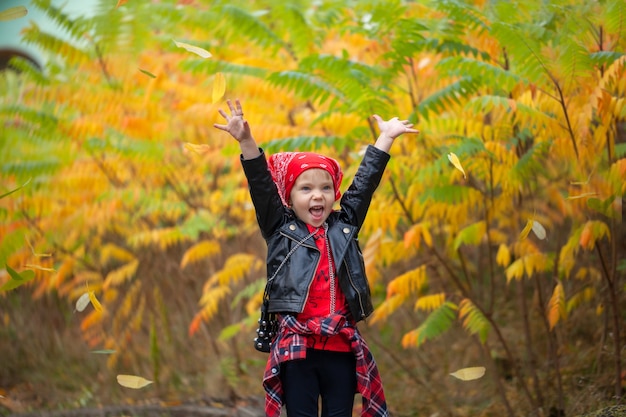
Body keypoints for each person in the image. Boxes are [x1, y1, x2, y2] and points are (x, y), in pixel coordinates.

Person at [214, 99, 419, 417]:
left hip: (341, 345)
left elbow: (364, 185)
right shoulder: (280, 227)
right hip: (298, 347)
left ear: (333, 194)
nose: (317, 195)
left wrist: (386, 137)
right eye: (306, 188)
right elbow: (261, 185)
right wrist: (245, 140)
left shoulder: (345, 225)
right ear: (290, 197)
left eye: (325, 188)